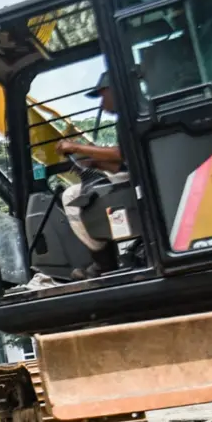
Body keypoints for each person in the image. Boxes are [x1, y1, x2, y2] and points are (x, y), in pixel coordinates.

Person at [55, 71, 128, 279]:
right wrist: (95, 163)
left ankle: (104, 262)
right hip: (137, 176)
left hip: (141, 180)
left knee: (71, 196)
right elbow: (124, 165)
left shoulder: (130, 116)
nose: (102, 104)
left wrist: (77, 147)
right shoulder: (130, 115)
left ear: (113, 90)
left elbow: (122, 153)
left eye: (103, 96)